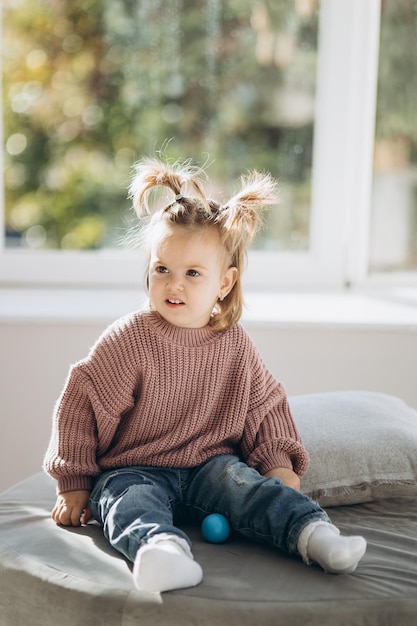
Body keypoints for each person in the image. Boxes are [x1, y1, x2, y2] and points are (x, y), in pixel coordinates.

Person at [43, 157, 366, 593]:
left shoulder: (234, 344)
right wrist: (75, 482)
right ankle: (161, 551)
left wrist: (277, 464)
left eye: (193, 274)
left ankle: (315, 536)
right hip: (136, 468)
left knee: (247, 488)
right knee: (126, 501)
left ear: (225, 283)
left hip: (210, 467)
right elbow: (82, 403)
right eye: (163, 270)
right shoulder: (130, 339)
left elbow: (264, 405)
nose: (174, 285)